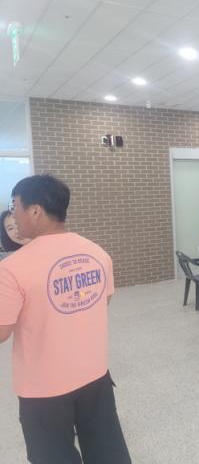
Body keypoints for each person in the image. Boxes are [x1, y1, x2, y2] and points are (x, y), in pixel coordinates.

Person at [0, 175, 131, 464]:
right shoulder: (97, 253)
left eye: (15, 206)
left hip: (43, 388)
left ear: (35, 210)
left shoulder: (12, 268)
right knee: (107, 451)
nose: (13, 216)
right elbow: (102, 301)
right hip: (95, 375)